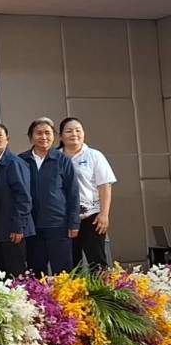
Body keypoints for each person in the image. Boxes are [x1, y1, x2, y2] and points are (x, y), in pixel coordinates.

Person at [19, 118, 80, 275]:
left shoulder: (62, 160)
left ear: (54, 136)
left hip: (58, 225)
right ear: (31, 137)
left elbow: (73, 193)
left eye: (48, 133)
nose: (43, 137)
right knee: (35, 272)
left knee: (63, 272)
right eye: (39, 133)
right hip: (31, 226)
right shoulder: (21, 160)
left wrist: (74, 223)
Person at [58, 117, 116, 269]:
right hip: (64, 219)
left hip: (91, 217)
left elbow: (105, 185)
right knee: (70, 265)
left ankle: (100, 286)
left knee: (97, 263)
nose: (74, 134)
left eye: (78, 130)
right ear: (61, 136)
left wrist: (104, 214)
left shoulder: (94, 155)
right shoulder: (55, 157)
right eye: (69, 131)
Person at [0, 123, 35, 277]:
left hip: (12, 230)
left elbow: (24, 198)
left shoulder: (15, 163)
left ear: (7, 139)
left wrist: (19, 226)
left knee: (15, 275)